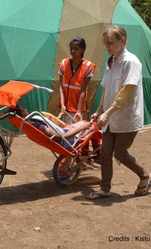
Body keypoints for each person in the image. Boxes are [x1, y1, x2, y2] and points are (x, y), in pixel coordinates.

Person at [86, 25, 150, 200]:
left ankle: (145, 176)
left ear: (123, 41)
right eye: (106, 44)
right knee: (105, 153)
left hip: (126, 118)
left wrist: (108, 113)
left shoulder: (131, 62)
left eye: (111, 43)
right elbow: (106, 89)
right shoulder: (111, 62)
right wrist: (99, 111)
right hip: (110, 118)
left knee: (121, 154)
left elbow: (127, 92)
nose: (108, 47)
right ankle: (104, 188)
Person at [12, 106, 101, 153]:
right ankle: (97, 153)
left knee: (83, 123)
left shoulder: (30, 124)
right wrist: (82, 127)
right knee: (92, 125)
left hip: (65, 133)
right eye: (23, 109)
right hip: (67, 141)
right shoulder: (39, 126)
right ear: (22, 115)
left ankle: (84, 154)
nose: (26, 109)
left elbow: (53, 130)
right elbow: (59, 137)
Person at [58, 37, 96, 124]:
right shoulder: (63, 64)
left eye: (76, 49)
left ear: (82, 50)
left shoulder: (88, 67)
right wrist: (62, 105)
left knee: (73, 133)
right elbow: (61, 86)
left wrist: (78, 111)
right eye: (71, 48)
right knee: (63, 132)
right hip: (63, 109)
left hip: (75, 108)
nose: (72, 51)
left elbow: (83, 90)